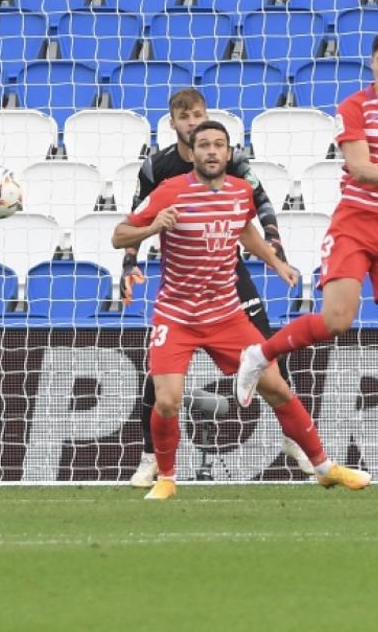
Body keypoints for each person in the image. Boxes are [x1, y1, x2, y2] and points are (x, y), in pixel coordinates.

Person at [112, 120, 370, 500]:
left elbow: (245, 230)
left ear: (228, 152)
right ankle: (166, 477)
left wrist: (276, 262)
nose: (212, 151)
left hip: (226, 315)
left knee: (277, 388)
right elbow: (119, 235)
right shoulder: (170, 191)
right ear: (192, 153)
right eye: (204, 145)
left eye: (219, 145)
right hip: (177, 316)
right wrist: (152, 227)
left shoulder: (240, 190)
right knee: (166, 400)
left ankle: (324, 467)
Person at [234, 29, 378, 469]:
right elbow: (360, 168)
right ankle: (260, 354)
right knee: (337, 320)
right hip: (356, 223)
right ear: (372, 63)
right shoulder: (354, 106)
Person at [124, 88, 314, 488]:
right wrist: (129, 263)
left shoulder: (231, 159)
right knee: (161, 374)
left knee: (266, 349)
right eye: (184, 117)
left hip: (226, 269)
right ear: (173, 124)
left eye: (198, 115)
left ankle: (292, 438)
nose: (193, 123)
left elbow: (260, 205)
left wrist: (276, 253)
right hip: (182, 277)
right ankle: (150, 455)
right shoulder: (156, 168)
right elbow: (136, 217)